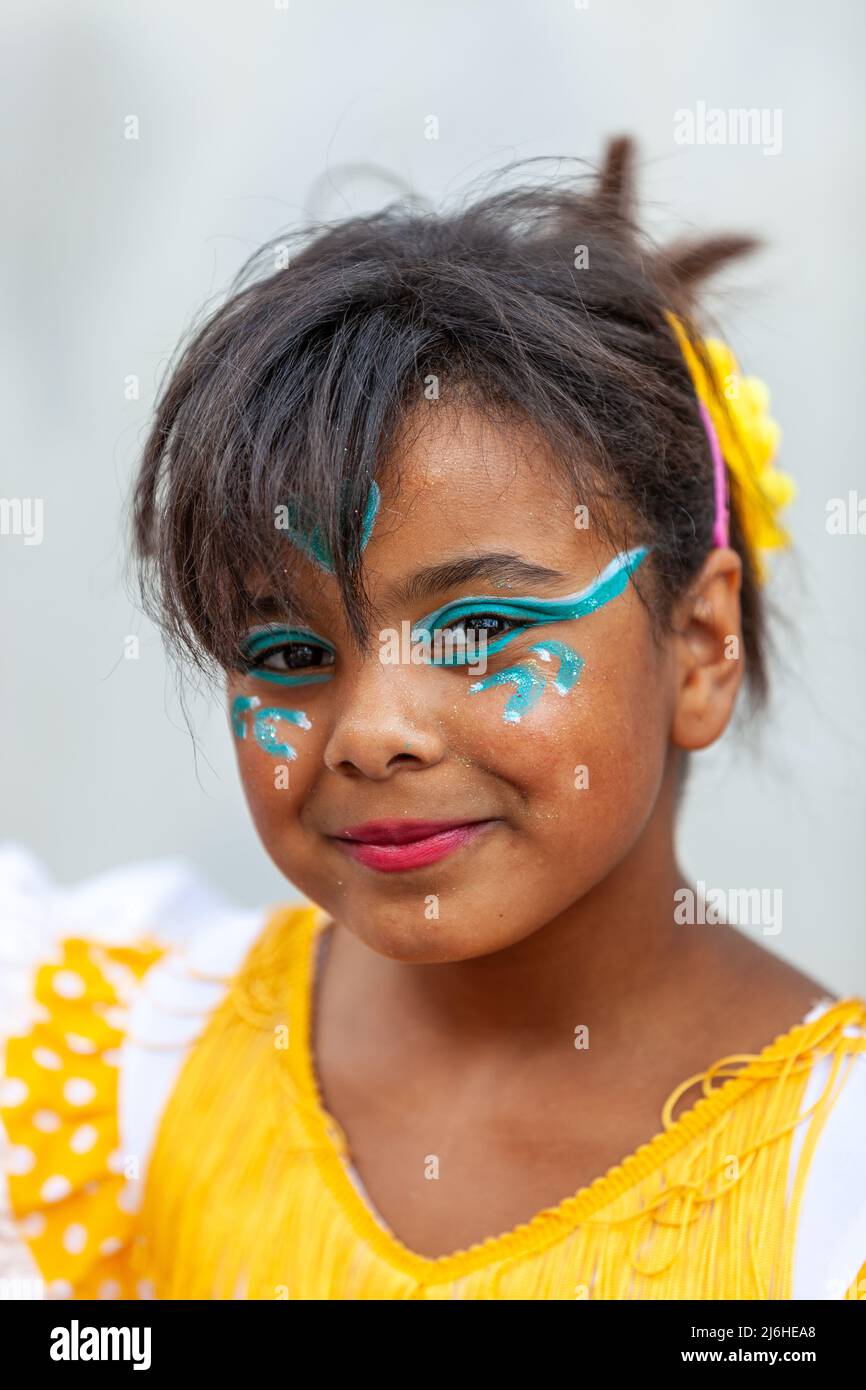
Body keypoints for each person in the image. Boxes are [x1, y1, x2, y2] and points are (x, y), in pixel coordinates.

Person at [2, 137, 864, 1301]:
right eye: (289, 652)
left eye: (474, 632)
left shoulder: (832, 1194)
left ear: (699, 644)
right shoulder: (114, 1070)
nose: (368, 731)